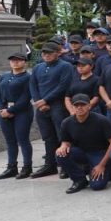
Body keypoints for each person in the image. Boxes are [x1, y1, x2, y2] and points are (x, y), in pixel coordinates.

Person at [54, 93, 111, 193]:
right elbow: (66, 141)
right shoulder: (66, 122)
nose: (79, 107)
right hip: (81, 152)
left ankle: (108, 170)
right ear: (72, 107)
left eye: (82, 105)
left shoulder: (101, 120)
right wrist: (63, 146)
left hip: (99, 153)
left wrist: (102, 165)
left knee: (97, 186)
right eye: (76, 105)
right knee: (60, 154)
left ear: (89, 106)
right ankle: (79, 180)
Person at [30, 42, 73, 179]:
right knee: (48, 137)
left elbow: (64, 85)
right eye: (44, 52)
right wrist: (39, 101)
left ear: (58, 53)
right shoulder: (38, 67)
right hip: (42, 107)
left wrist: (46, 100)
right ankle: (50, 165)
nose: (46, 55)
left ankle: (66, 164)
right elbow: (33, 85)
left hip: (58, 105)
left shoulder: (65, 66)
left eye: (49, 52)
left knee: (62, 136)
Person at [0, 52, 33, 180]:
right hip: (4, 112)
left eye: (18, 60)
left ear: (24, 62)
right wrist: (1, 109)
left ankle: (27, 167)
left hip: (22, 112)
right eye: (12, 60)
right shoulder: (4, 76)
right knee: (10, 141)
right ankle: (11, 167)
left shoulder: (28, 77)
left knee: (23, 139)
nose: (15, 62)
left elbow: (26, 97)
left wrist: (11, 110)